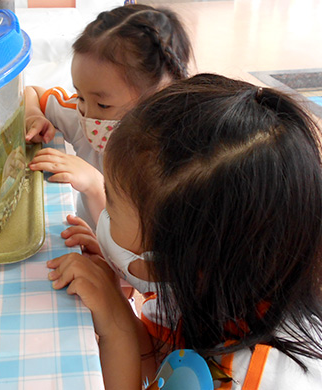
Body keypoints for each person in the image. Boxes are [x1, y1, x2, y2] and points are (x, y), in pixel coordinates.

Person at [46, 74, 322, 389]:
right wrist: (116, 299)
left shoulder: (253, 378)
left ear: (183, 261)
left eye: (110, 203)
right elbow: (164, 364)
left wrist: (117, 328)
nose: (103, 216)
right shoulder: (208, 288)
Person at [25, 3, 192, 230]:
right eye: (80, 95)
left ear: (157, 100)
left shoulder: (171, 161)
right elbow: (32, 93)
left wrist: (94, 185)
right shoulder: (81, 114)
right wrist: (34, 115)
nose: (87, 115)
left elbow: (132, 248)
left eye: (103, 104)